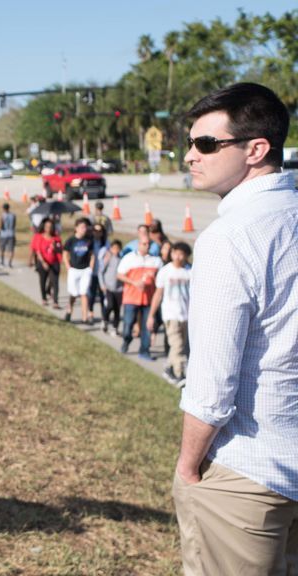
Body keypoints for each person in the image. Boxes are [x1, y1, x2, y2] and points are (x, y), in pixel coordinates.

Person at [172, 82, 298, 575]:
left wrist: (187, 467)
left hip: (248, 471)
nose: (190, 156)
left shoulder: (230, 236)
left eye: (206, 144)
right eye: (189, 143)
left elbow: (212, 383)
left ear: (256, 150)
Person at [147, 241, 191, 386]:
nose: (178, 256)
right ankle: (179, 374)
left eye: (181, 253)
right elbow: (158, 294)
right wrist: (151, 315)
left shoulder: (190, 271)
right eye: (175, 253)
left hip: (186, 315)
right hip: (171, 315)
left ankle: (168, 368)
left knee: (180, 345)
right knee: (177, 346)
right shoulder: (165, 271)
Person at [116, 236, 161, 359]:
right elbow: (119, 275)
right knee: (128, 323)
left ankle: (144, 350)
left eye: (148, 244)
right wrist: (133, 282)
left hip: (148, 299)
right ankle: (127, 339)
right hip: (131, 297)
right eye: (143, 244)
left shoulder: (156, 261)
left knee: (147, 326)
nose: (146, 246)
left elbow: (160, 280)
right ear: (138, 244)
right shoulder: (129, 258)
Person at [62, 218, 95, 323]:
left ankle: (84, 317)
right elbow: (65, 254)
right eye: (81, 227)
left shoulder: (89, 240)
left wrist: (90, 267)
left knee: (84, 292)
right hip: (74, 270)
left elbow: (92, 255)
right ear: (76, 228)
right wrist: (68, 266)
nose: (84, 229)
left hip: (85, 270)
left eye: (85, 227)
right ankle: (69, 309)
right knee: (74, 293)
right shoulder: (71, 240)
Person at [29, 217, 61, 308]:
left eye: (50, 226)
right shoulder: (39, 236)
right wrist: (42, 262)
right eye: (47, 226)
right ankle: (44, 298)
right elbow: (37, 250)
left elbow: (60, 250)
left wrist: (55, 248)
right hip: (42, 261)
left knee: (55, 282)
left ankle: (55, 301)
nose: (48, 228)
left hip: (54, 262)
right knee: (42, 280)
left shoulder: (56, 238)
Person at [98, 239, 124, 335]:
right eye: (114, 248)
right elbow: (101, 272)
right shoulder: (108, 258)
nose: (115, 250)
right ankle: (105, 320)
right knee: (109, 305)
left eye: (118, 248)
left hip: (119, 288)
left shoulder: (122, 260)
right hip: (108, 287)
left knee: (117, 309)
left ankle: (115, 327)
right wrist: (102, 284)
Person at [86, 222, 109, 323]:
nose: (97, 233)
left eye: (100, 231)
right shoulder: (89, 242)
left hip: (102, 274)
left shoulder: (106, 243)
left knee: (103, 295)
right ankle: (90, 313)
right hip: (92, 273)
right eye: (95, 231)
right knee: (91, 295)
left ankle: (104, 316)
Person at [0, 202, 16, 267]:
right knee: (11, 249)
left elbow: (1, 225)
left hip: (3, 234)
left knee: (2, 248)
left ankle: (2, 261)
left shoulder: (3, 215)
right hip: (11, 233)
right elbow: (14, 225)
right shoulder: (13, 215)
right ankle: (10, 263)